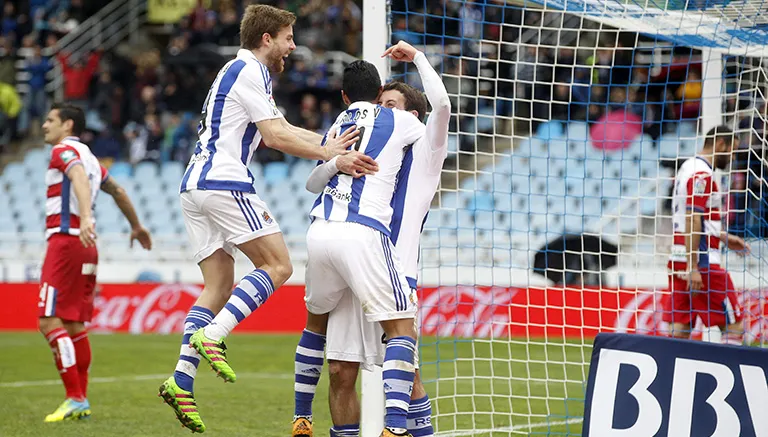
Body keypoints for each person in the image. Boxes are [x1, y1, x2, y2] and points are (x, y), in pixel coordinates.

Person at [158, 4, 375, 433]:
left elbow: (282, 126)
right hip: (224, 182)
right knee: (278, 265)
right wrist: (330, 151)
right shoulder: (251, 71)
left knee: (219, 285)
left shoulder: (236, 72)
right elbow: (276, 136)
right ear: (266, 39)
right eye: (289, 39)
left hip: (193, 187)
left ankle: (181, 378)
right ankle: (214, 335)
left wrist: (328, 144)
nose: (293, 48)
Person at [291, 41, 450, 437]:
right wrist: (334, 162)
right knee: (341, 371)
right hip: (352, 263)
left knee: (407, 379)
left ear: (413, 115)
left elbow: (442, 108)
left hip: (393, 268)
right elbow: (317, 178)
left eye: (390, 104)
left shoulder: (427, 151)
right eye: (381, 101)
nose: (382, 110)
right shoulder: (368, 142)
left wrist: (418, 59)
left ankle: (400, 431)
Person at [39, 103, 152, 422]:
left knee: (48, 321)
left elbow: (75, 175)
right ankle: (82, 400)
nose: (45, 126)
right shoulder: (91, 158)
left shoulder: (64, 152)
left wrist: (86, 216)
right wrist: (136, 225)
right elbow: (117, 190)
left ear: (68, 125)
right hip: (87, 246)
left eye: (51, 120)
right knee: (74, 323)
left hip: (67, 241)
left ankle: (74, 397)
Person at [664, 125, 750, 344]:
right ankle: (731, 375)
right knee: (734, 325)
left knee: (681, 325)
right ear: (720, 144)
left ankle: (670, 374)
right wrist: (694, 266)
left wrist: (722, 236)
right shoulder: (702, 174)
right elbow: (693, 218)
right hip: (702, 261)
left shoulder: (687, 167)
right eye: (732, 150)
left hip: (678, 256)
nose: (731, 158)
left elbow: (695, 216)